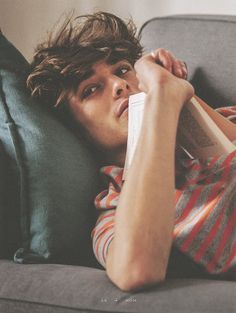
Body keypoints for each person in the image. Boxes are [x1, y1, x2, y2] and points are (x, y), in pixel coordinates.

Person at [27, 12, 236, 291]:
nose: (118, 85)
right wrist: (163, 96)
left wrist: (182, 94)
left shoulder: (224, 119)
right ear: (78, 132)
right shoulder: (115, 211)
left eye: (123, 69)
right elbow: (135, 270)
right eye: (91, 89)